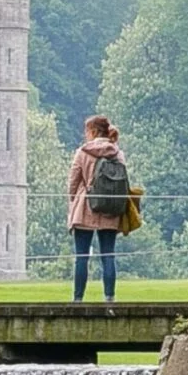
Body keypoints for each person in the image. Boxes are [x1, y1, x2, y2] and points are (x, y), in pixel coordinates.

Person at [67, 114, 129, 303]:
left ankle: (78, 299)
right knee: (108, 254)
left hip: (85, 207)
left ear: (93, 131)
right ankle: (109, 297)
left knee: (82, 256)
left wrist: (73, 199)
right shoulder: (117, 153)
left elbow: (73, 181)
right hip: (110, 207)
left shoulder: (83, 152)